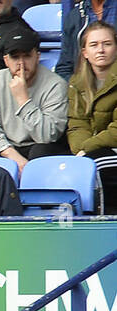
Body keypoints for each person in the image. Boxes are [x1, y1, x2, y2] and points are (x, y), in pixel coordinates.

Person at [0, 28, 69, 173]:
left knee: (41, 152)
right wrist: (10, 154)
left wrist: (23, 100)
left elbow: (47, 136)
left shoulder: (56, 85)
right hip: (6, 146)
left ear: (37, 57)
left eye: (26, 56)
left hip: (39, 145)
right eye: (15, 57)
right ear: (6, 60)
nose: (21, 63)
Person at [67, 20, 117, 209]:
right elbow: (76, 124)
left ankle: (105, 221)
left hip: (106, 148)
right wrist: (82, 149)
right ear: (85, 53)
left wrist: (87, 148)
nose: (101, 50)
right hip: (93, 149)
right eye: (94, 45)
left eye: (107, 44)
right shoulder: (77, 83)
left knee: (97, 162)